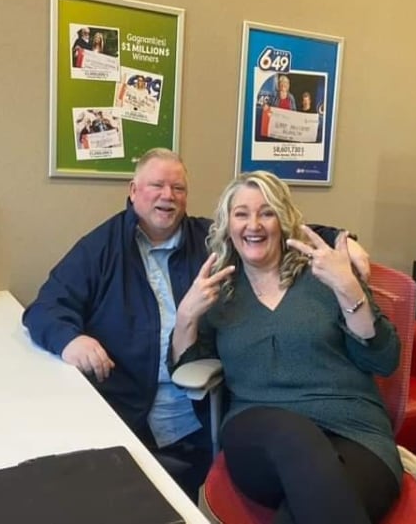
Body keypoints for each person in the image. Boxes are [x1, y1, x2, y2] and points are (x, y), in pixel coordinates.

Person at [22, 149, 371, 501]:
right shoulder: (101, 248)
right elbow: (45, 307)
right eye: (157, 185)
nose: (167, 196)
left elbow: (282, 229)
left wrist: (344, 239)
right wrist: (72, 340)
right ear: (132, 190)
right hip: (128, 409)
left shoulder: (210, 240)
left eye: (178, 188)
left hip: (204, 409)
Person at [171, 170, 401, 524]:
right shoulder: (220, 292)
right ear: (227, 225)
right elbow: (189, 376)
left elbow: (384, 361)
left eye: (267, 212)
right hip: (258, 433)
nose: (254, 224)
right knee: (293, 435)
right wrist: (186, 315)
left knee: (306, 510)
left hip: (356, 432)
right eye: (242, 213)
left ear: (284, 219)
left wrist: (350, 291)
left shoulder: (326, 274)